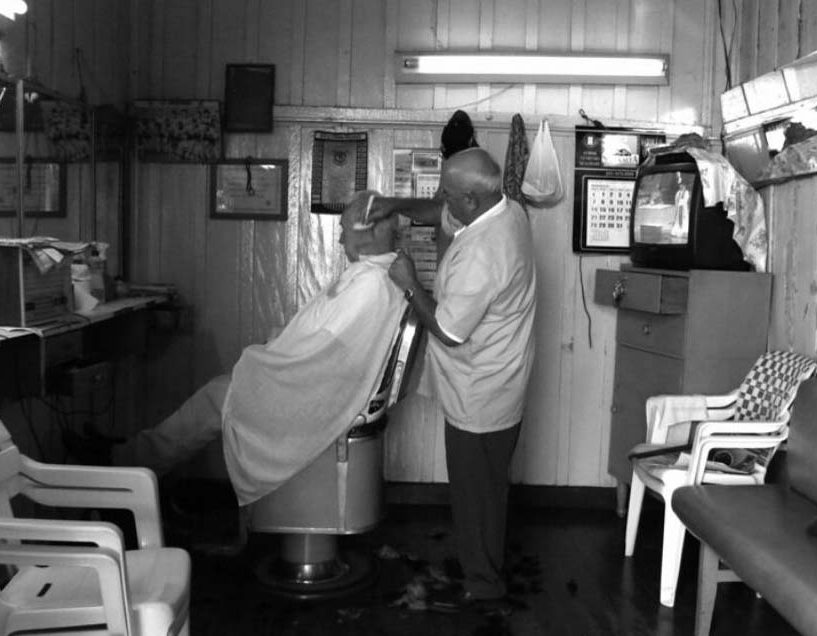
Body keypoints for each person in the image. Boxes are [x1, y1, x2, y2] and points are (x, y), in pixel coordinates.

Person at [77, 196, 406, 506]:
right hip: (319, 386)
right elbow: (327, 342)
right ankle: (130, 459)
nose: (340, 240)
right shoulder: (373, 276)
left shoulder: (371, 284)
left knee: (218, 396)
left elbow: (324, 349)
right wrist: (278, 348)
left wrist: (270, 356)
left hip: (318, 395)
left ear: (372, 231)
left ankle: (125, 465)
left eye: (344, 231)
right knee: (220, 392)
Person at [365, 147, 538, 610]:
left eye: (448, 193)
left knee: (476, 493)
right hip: (498, 379)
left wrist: (409, 284)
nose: (441, 200)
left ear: (471, 200)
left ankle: (484, 587)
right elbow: (439, 212)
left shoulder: (486, 252)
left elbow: (448, 331)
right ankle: (482, 566)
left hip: (482, 392)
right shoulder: (506, 210)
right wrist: (395, 205)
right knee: (485, 489)